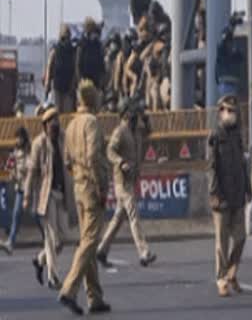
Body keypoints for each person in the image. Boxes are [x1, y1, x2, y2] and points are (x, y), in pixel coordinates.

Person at [59, 80, 111, 315]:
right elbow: (94, 157)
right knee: (90, 241)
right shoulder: (92, 123)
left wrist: (78, 177)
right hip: (91, 187)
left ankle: (95, 297)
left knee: (86, 239)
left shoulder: (70, 125)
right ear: (93, 99)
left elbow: (67, 160)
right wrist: (101, 186)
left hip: (78, 187)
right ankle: (69, 289)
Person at [97, 99, 156, 268]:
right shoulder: (120, 131)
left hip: (132, 178)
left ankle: (102, 249)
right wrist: (120, 162)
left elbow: (149, 132)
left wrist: (145, 118)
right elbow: (110, 150)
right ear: (124, 114)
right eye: (131, 112)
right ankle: (143, 252)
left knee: (118, 218)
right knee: (133, 215)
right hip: (121, 181)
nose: (134, 116)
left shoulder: (136, 129)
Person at [207, 95, 252, 298]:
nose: (231, 115)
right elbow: (211, 168)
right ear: (221, 112)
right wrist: (214, 193)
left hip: (237, 194)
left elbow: (243, 165)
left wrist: (248, 188)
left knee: (241, 237)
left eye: (234, 111)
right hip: (222, 196)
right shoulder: (215, 136)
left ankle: (232, 272)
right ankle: (222, 279)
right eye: (228, 110)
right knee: (222, 243)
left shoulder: (236, 136)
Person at [23, 108, 68, 289]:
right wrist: (27, 196)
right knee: (50, 237)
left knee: (62, 238)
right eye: (50, 122)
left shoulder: (63, 138)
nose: (54, 125)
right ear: (45, 126)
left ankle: (39, 259)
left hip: (62, 193)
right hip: (47, 194)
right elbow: (32, 172)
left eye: (56, 120)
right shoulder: (39, 144)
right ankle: (53, 277)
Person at [1, 127, 44, 254]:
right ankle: (11, 241)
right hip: (20, 188)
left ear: (24, 138)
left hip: (31, 187)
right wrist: (11, 172)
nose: (18, 140)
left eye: (19, 137)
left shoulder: (30, 151)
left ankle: (47, 237)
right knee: (16, 214)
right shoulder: (15, 152)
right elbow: (11, 169)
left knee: (35, 214)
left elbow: (32, 167)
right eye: (17, 138)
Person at [45, 24, 77, 113]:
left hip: (68, 87)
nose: (65, 40)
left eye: (67, 37)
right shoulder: (55, 50)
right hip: (57, 86)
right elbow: (49, 66)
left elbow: (75, 69)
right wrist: (47, 84)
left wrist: (73, 84)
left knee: (67, 112)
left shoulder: (72, 51)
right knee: (57, 111)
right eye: (63, 38)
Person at [76, 17, 106, 90]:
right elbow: (78, 63)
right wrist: (80, 79)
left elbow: (102, 62)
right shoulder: (83, 43)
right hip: (85, 79)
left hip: (95, 80)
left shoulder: (97, 44)